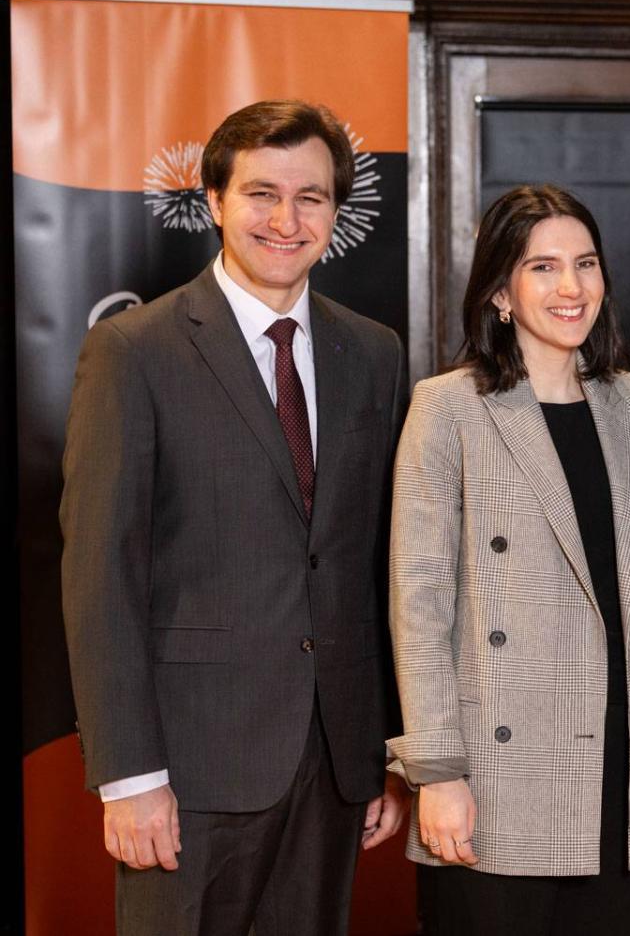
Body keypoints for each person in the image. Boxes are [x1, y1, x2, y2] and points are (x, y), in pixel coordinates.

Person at [59, 99, 410, 934]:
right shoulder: (134, 352)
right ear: (214, 200)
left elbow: (377, 563)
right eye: (261, 193)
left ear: (336, 210)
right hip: (188, 771)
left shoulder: (375, 350)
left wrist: (387, 749)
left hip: (334, 764)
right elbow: (99, 573)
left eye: (311, 197)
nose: (286, 220)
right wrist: (129, 774)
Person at [386, 184, 630, 934]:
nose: (571, 287)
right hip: (497, 765)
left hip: (619, 756)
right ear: (500, 290)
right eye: (543, 267)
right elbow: (418, 599)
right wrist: (437, 770)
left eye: (586, 264)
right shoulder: (448, 407)